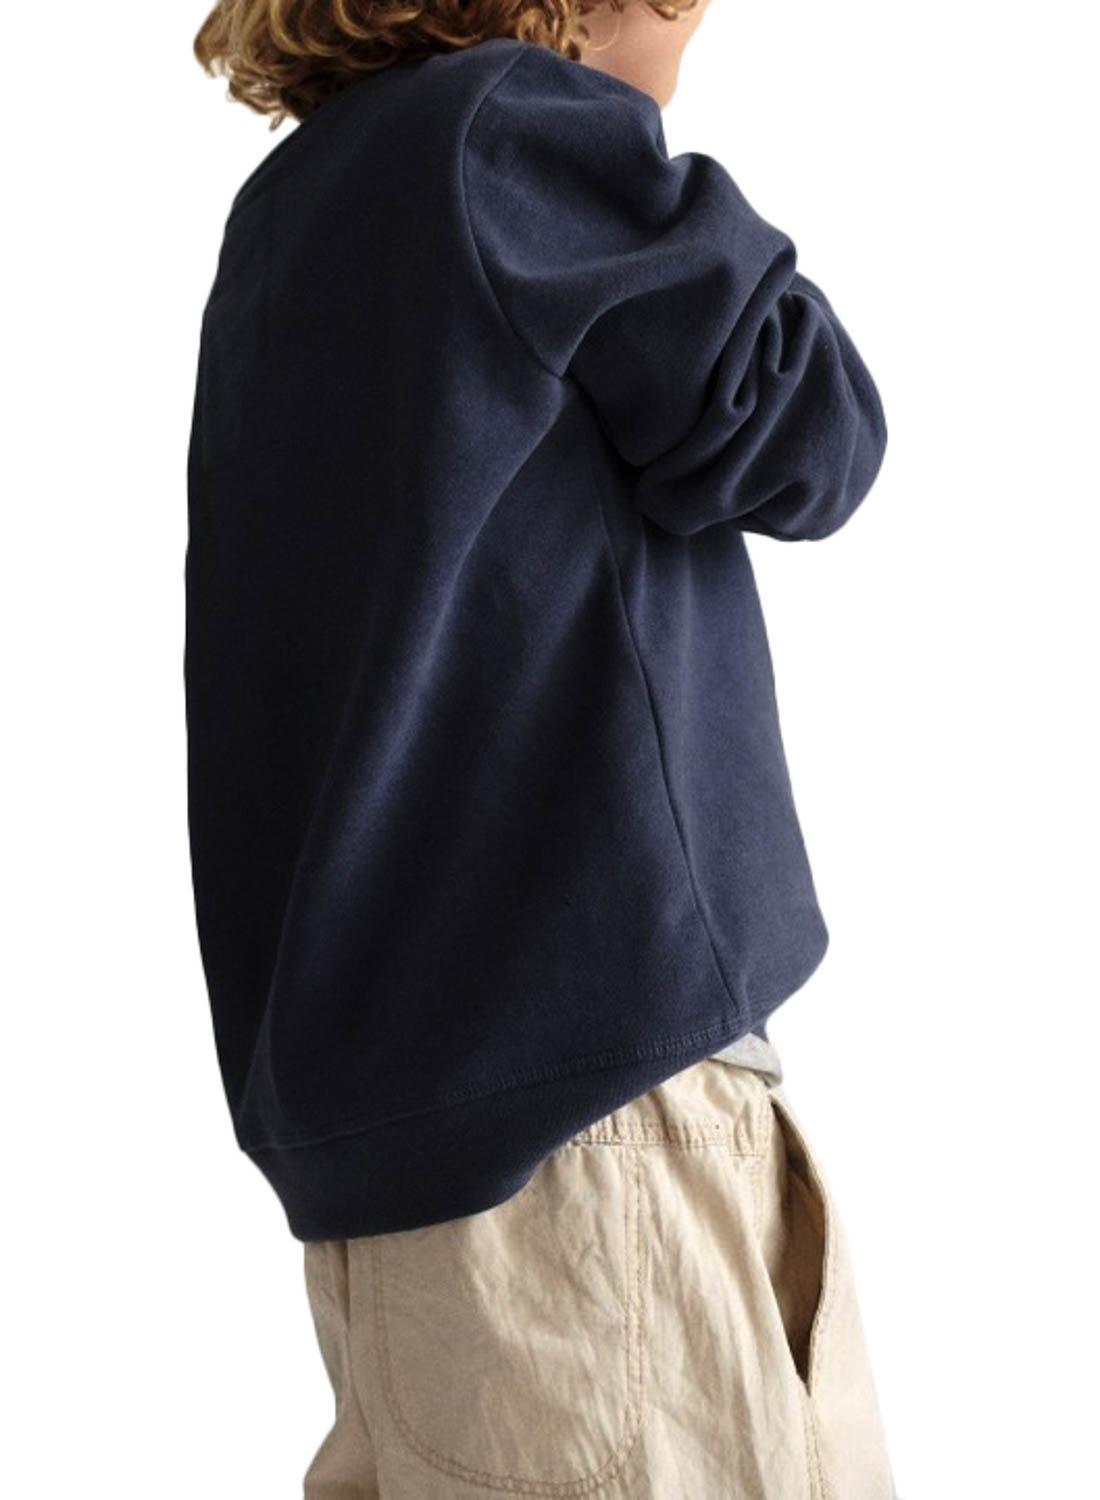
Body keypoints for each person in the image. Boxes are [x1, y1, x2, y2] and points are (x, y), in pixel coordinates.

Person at [186, 0, 896, 1494]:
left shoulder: (297, 202)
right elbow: (810, 433)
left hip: (410, 1150)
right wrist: (631, 127)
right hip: (597, 1129)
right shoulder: (509, 131)